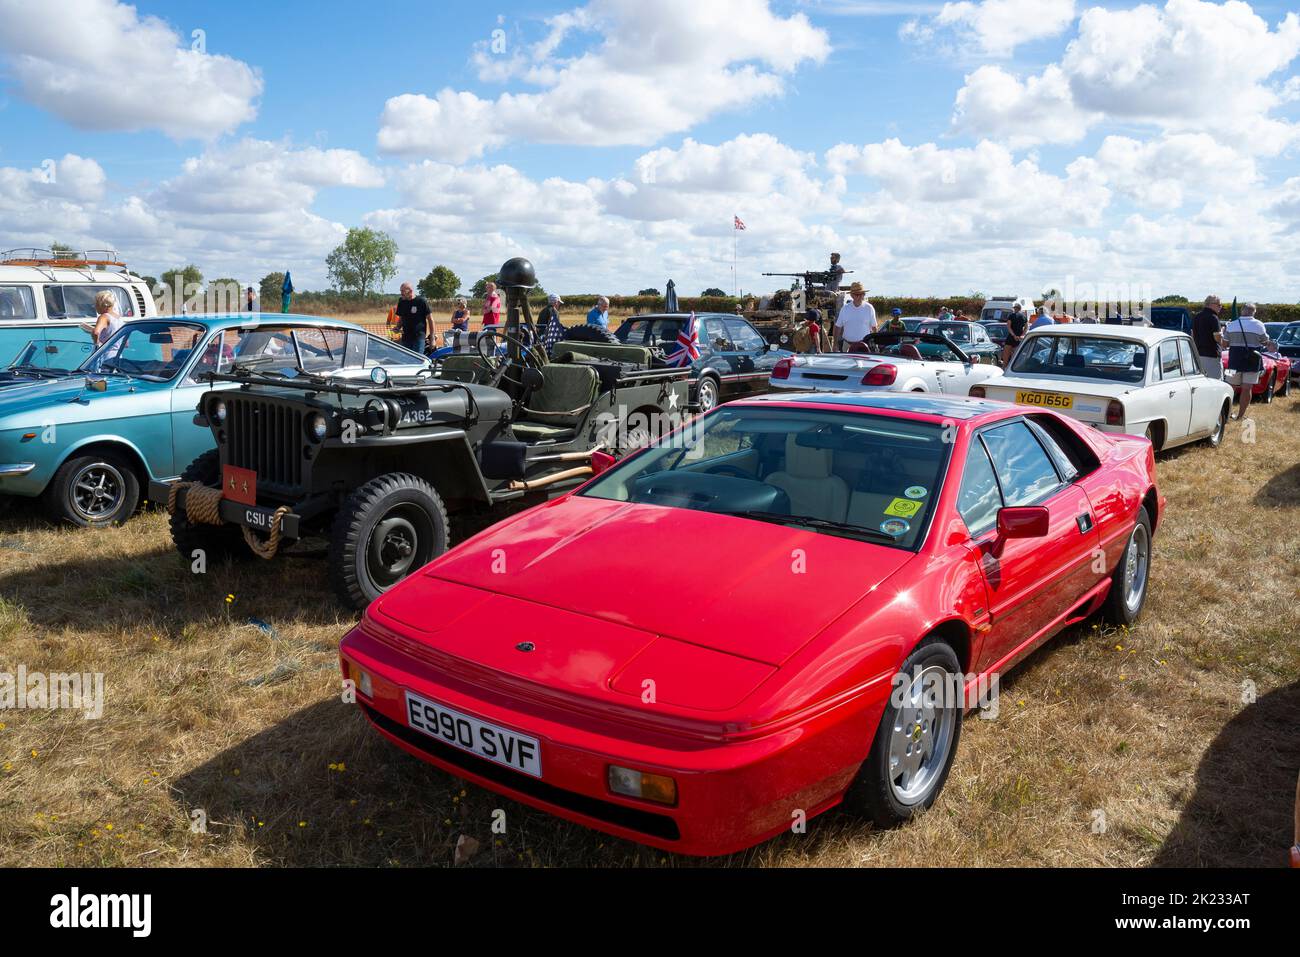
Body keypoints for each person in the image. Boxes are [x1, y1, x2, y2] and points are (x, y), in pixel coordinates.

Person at [1223, 303, 1273, 420]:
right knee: (1247, 388)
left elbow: (1224, 344)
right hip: (1252, 362)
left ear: (1242, 311)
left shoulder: (1231, 325)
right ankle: (1240, 416)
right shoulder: (1259, 325)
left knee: (1229, 387)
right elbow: (1265, 342)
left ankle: (1226, 414)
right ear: (1253, 312)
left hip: (1233, 362)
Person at [834, 282, 877, 353]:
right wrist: (835, 345)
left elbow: (874, 327)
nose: (859, 296)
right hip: (847, 346)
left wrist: (876, 343)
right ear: (851, 295)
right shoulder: (845, 308)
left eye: (862, 294)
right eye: (857, 294)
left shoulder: (869, 308)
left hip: (863, 346)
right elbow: (838, 327)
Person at [1192, 295, 1225, 379]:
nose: (1220, 307)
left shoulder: (1197, 316)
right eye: (1219, 304)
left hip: (1198, 354)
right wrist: (1222, 332)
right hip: (1212, 355)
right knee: (1216, 382)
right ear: (1211, 304)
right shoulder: (1213, 317)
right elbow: (1217, 338)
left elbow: (1193, 334)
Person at [394, 281, 432, 354]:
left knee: (417, 361)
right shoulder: (401, 301)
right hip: (405, 338)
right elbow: (401, 317)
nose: (401, 293)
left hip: (418, 338)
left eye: (403, 291)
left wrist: (432, 338)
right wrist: (398, 327)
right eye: (400, 291)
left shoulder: (421, 301)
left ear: (410, 291)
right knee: (406, 360)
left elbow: (430, 320)